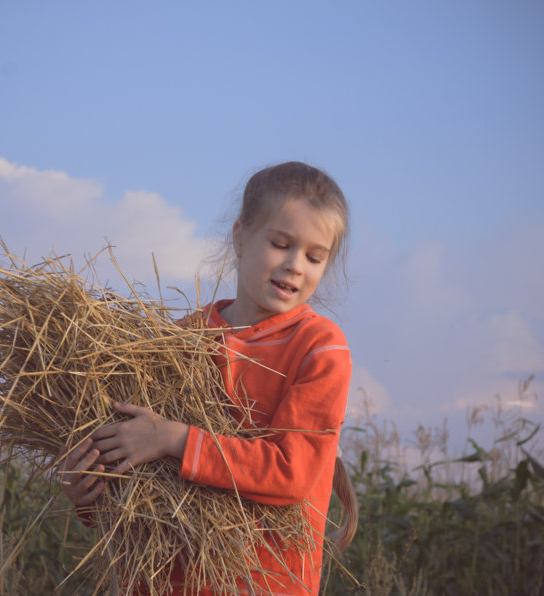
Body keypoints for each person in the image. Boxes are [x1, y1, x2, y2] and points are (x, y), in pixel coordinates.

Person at [59, 161, 358, 595]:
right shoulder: (177, 341)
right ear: (240, 237)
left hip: (261, 584)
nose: (296, 265)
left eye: (315, 256)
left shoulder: (319, 347)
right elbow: (138, 487)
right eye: (280, 244)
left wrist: (174, 438)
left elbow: (293, 473)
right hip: (158, 583)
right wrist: (85, 490)